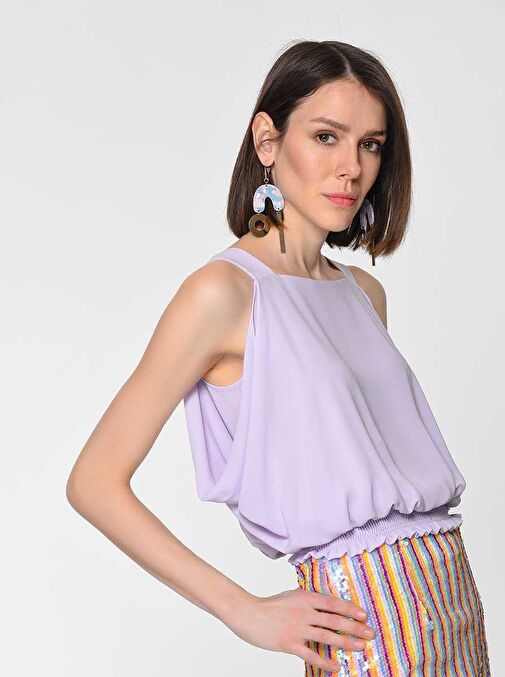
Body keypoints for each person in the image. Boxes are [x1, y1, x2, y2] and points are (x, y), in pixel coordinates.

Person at [66, 40, 491, 675]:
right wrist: (242, 610)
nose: (350, 167)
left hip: (454, 599)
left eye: (370, 145)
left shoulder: (363, 293)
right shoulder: (225, 293)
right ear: (268, 141)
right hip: (365, 620)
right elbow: (93, 482)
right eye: (326, 137)